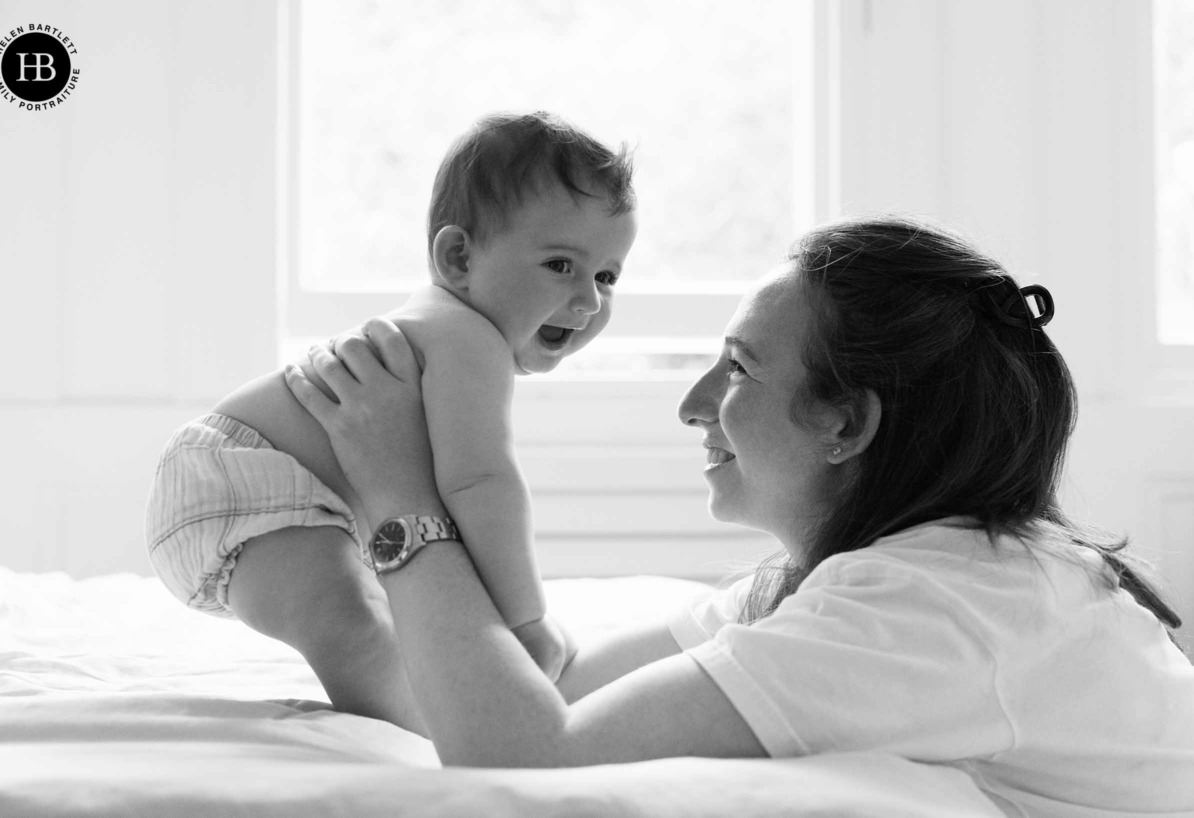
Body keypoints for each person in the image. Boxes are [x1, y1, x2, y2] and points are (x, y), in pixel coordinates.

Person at [285, 215, 1194, 815]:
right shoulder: (855, 577)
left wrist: (399, 496)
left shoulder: (926, 609)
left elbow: (524, 753)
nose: (691, 403)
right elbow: (547, 688)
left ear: (846, 421)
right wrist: (324, 599)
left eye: (738, 368)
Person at [144, 111, 638, 724]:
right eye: (560, 265)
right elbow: (481, 486)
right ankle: (440, 725)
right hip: (251, 477)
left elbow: (449, 515)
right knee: (349, 624)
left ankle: (438, 699)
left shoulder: (443, 327)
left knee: (379, 613)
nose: (588, 299)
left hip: (243, 489)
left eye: (607, 276)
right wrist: (527, 621)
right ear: (458, 257)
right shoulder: (469, 341)